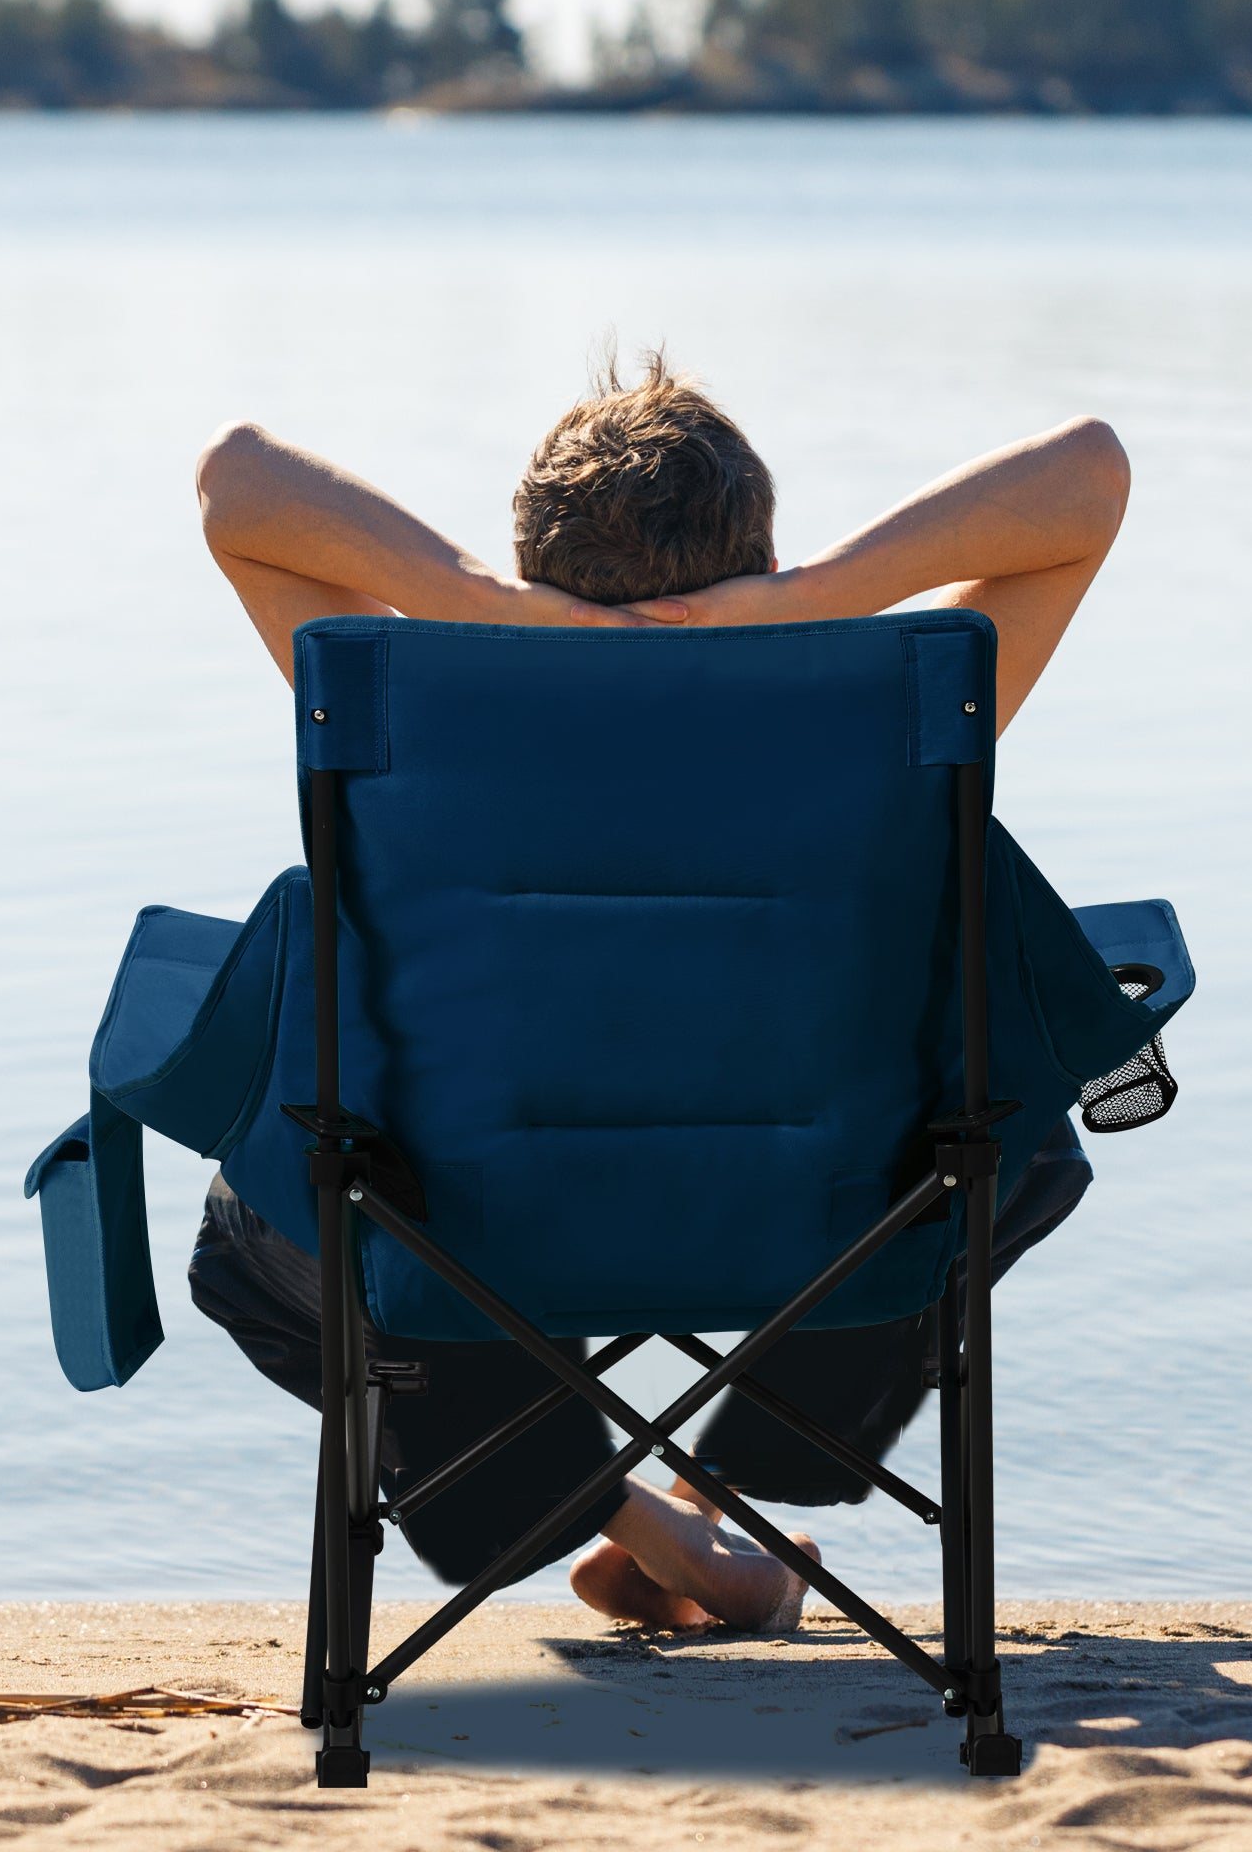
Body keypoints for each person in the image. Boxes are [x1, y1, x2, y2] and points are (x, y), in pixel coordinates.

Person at [186, 353, 1130, 1632]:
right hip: (811, 1228)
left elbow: (233, 482)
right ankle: (700, 1507)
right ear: (759, 554)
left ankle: (644, 1520)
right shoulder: (881, 719)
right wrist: (816, 597)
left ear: (531, 568)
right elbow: (1089, 473)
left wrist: (471, 600)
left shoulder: (408, 714)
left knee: (274, 1229)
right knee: (1008, 1148)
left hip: (480, 1234)